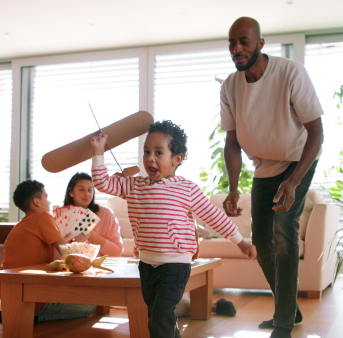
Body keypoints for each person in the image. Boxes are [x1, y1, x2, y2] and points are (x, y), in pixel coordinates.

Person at [90, 120, 257, 338]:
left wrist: (241, 242)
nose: (150, 157)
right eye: (147, 151)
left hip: (176, 263)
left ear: (176, 159)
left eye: (159, 152)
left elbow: (213, 215)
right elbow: (102, 182)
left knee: (161, 312)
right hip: (147, 264)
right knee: (156, 315)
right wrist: (98, 151)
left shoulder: (186, 188)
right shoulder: (133, 185)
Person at [220, 17, 324, 338]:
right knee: (261, 242)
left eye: (244, 42)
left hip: (298, 160)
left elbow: (317, 132)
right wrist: (234, 188)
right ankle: (288, 307)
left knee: (283, 228)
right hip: (264, 167)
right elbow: (232, 142)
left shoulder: (290, 72)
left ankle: (282, 325)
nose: (237, 49)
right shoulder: (230, 86)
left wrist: (293, 182)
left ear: (260, 44)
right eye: (232, 43)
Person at [0, 179, 96, 323]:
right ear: (36, 202)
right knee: (90, 306)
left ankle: (18, 311)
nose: (49, 202)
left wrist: (65, 240)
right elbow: (65, 252)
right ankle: (29, 316)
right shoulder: (42, 217)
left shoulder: (22, 224)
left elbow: (51, 255)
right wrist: (80, 241)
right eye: (46, 197)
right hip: (34, 295)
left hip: (9, 293)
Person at [54, 172, 124, 257]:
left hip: (99, 266)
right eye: (81, 190)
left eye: (90, 190)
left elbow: (117, 252)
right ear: (71, 192)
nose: (87, 194)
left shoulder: (106, 214)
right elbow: (55, 254)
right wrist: (76, 243)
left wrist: (92, 235)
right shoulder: (60, 215)